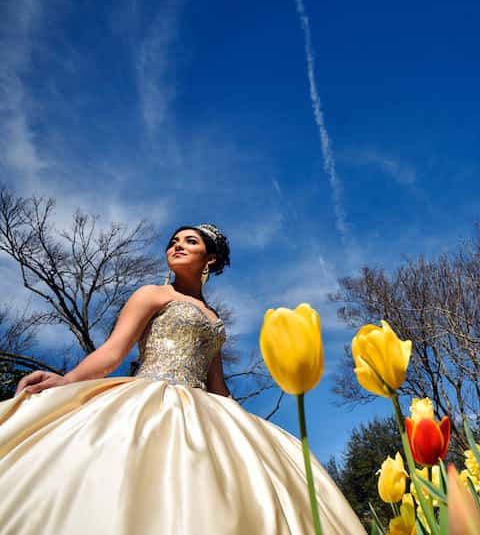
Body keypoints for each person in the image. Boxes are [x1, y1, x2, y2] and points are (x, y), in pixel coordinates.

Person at [0, 224, 365, 535]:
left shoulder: (213, 317)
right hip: (147, 399)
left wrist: (245, 427)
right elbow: (113, 352)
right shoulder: (152, 294)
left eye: (190, 241)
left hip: (205, 407)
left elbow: (217, 383)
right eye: (174, 241)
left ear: (211, 260)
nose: (177, 244)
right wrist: (66, 381)